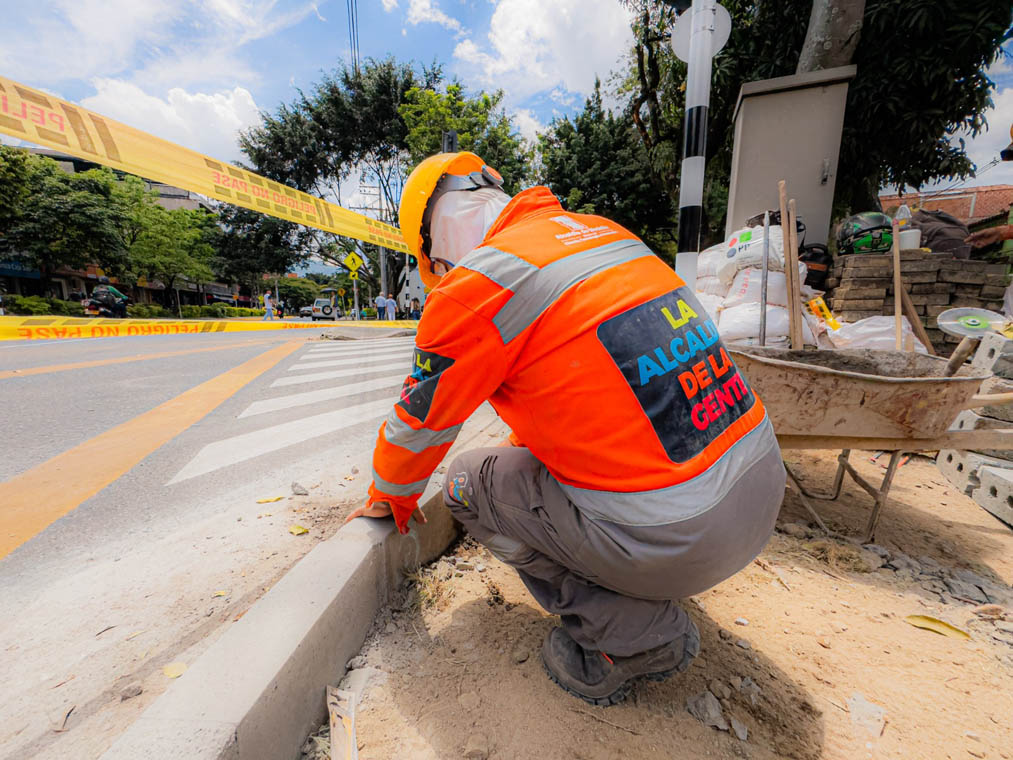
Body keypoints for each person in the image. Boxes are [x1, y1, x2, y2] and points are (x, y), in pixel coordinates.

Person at [346, 152, 785, 706]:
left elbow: (420, 422)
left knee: (466, 484)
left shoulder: (477, 283)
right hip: (761, 493)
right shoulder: (607, 234)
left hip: (684, 537)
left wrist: (389, 496)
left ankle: (626, 634)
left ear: (434, 244)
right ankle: (643, 576)